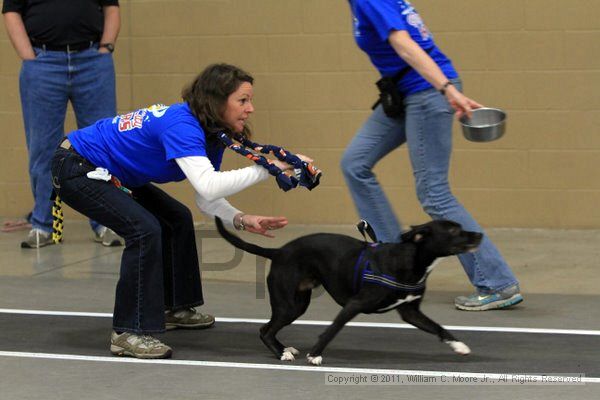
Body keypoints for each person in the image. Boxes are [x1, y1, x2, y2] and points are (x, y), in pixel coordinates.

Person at [51, 63, 312, 359]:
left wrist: (240, 218)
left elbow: (206, 194)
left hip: (109, 172)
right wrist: (271, 168)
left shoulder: (210, 131)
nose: (250, 108)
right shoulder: (183, 126)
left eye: (250, 100)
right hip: (77, 166)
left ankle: (174, 307)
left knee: (176, 218)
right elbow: (211, 186)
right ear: (216, 101)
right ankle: (127, 332)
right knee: (144, 229)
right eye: (242, 100)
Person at [341, 0, 523, 311]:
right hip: (406, 92)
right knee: (355, 163)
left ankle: (497, 283)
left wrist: (446, 89)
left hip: (427, 93)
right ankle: (393, 262)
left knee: (433, 192)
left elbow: (405, 45)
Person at [2, 0, 124, 248]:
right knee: (42, 148)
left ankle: (105, 222)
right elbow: (11, 12)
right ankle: (43, 225)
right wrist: (29, 57)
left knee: (101, 145)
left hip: (92, 61)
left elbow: (111, 7)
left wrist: (106, 47)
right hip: (42, 63)